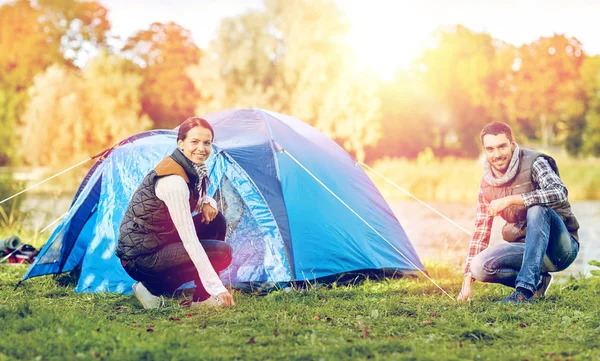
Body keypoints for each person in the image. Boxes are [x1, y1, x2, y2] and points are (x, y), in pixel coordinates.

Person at [116, 117, 235, 309]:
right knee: (223, 253)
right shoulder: (174, 181)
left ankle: (200, 299)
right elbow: (190, 241)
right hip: (141, 257)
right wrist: (217, 287)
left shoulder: (190, 169)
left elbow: (195, 196)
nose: (201, 148)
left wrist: (208, 202)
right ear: (181, 144)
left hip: (159, 240)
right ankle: (151, 288)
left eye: (207, 143)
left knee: (216, 221)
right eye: (194, 142)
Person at [458, 121, 580, 303]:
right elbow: (480, 232)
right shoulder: (487, 184)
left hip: (560, 248)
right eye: (490, 149)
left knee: (537, 210)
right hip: (528, 249)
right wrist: (467, 281)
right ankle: (538, 283)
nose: (497, 154)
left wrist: (510, 200)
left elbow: (559, 191)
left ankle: (523, 292)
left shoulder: (535, 162)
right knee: (479, 267)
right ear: (485, 150)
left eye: (502, 147)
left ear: (512, 144)